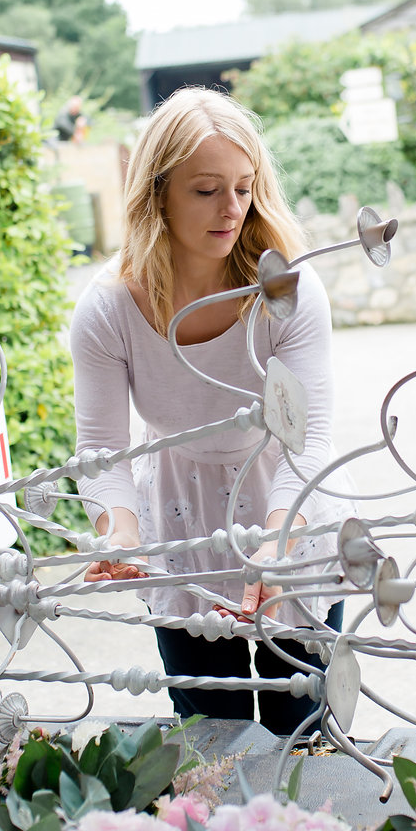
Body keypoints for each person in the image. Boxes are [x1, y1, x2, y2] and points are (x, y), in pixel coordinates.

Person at [69, 86, 349, 734]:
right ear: (156, 192)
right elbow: (102, 451)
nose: (232, 209)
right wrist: (123, 534)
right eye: (206, 190)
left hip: (291, 508)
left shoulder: (289, 291)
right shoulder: (109, 307)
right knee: (209, 737)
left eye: (245, 187)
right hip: (181, 525)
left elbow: (308, 440)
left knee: (304, 731)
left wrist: (276, 549)